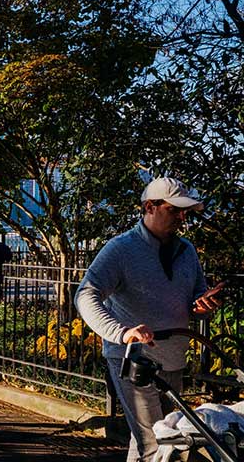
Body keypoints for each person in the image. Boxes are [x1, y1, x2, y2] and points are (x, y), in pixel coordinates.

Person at [74, 177, 224, 462]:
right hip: (133, 360)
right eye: (174, 210)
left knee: (167, 441)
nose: (182, 217)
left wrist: (203, 303)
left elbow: (195, 294)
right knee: (154, 444)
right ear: (150, 207)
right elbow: (85, 295)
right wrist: (122, 332)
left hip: (173, 358)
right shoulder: (121, 249)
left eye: (185, 212)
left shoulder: (187, 250)